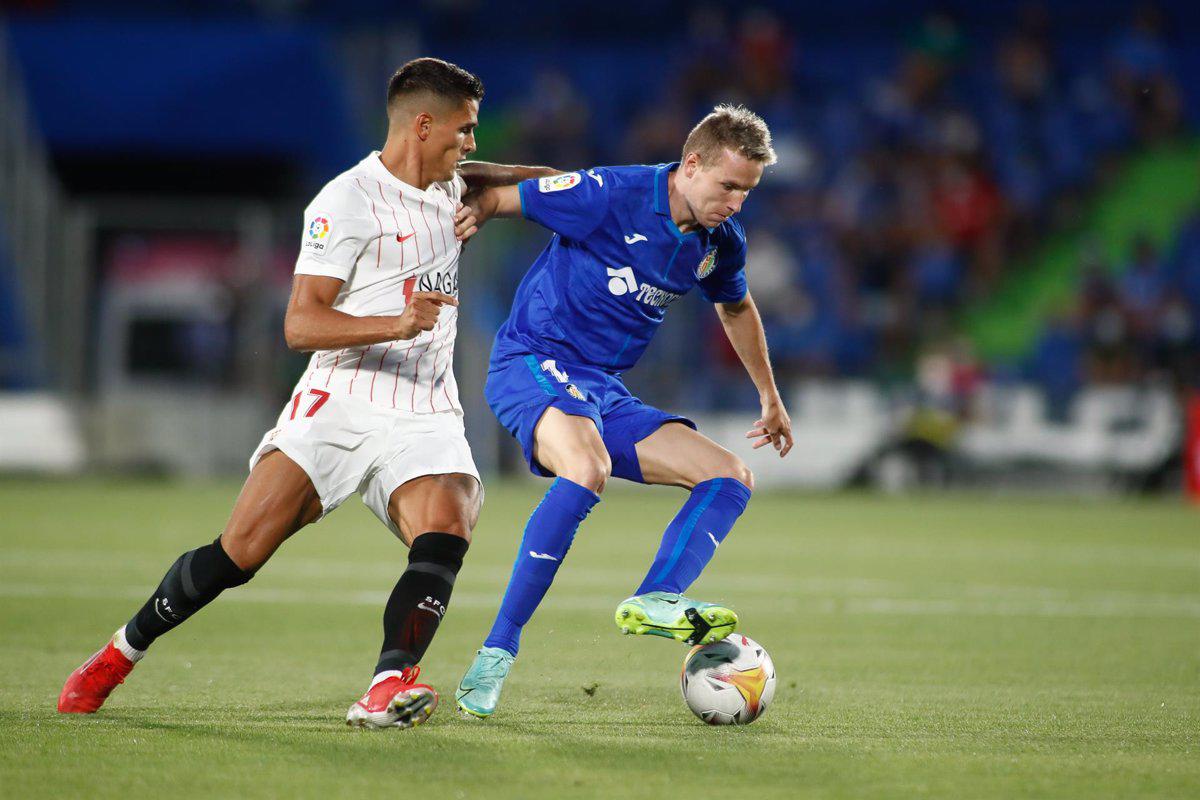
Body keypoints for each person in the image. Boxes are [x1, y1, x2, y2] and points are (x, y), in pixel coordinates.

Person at [57, 58, 552, 730]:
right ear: (423, 124)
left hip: (424, 406)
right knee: (239, 552)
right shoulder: (344, 202)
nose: (473, 143)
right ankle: (119, 654)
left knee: (449, 517)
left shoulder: (454, 185)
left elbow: (552, 187)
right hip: (341, 396)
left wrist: (519, 197)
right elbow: (300, 324)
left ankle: (386, 685)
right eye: (464, 130)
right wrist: (397, 323)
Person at [454, 105, 794, 718]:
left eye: (747, 191)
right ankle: (497, 652)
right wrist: (478, 203)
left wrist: (769, 396)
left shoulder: (720, 243)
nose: (736, 202)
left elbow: (736, 310)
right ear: (691, 164)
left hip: (600, 389)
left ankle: (659, 595)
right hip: (532, 360)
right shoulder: (613, 194)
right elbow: (509, 198)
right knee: (586, 468)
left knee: (731, 477)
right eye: (728, 186)